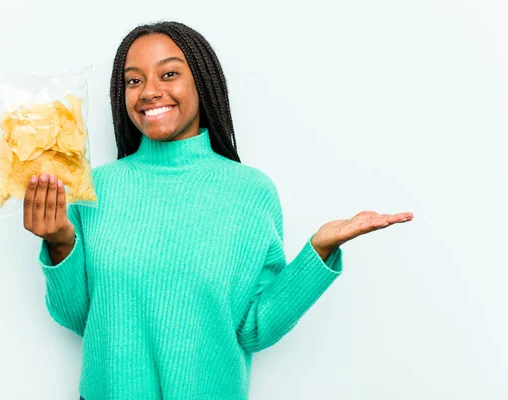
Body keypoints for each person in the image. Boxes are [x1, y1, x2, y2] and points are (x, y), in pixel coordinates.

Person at [23, 21, 413, 400]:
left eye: (169, 74)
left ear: (202, 82)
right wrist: (59, 243)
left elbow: (254, 329)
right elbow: (80, 320)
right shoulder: (95, 188)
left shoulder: (250, 192)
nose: (149, 92)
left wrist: (319, 252)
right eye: (134, 80)